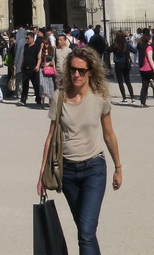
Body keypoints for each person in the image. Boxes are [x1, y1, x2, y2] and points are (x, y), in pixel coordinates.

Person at [37, 45, 122, 255]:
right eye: (73, 69)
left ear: (90, 72)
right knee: (86, 232)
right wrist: (42, 174)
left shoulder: (100, 98)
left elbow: (109, 135)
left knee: (85, 232)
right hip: (67, 172)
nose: (76, 74)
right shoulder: (59, 97)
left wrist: (118, 167)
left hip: (94, 169)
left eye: (81, 71)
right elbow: (50, 137)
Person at [110, 32, 135, 102]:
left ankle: (124, 98)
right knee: (128, 81)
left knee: (120, 82)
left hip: (118, 64)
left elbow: (107, 50)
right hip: (126, 64)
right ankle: (132, 98)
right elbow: (134, 51)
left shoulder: (115, 45)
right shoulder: (126, 44)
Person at [19, 32, 41, 106]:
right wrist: (22, 65)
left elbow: (39, 58)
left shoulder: (37, 47)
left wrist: (37, 66)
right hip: (25, 67)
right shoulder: (26, 46)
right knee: (25, 84)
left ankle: (38, 99)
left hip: (33, 68)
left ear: (32, 38)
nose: (27, 40)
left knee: (36, 85)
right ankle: (23, 100)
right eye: (26, 38)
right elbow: (24, 56)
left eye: (28, 38)